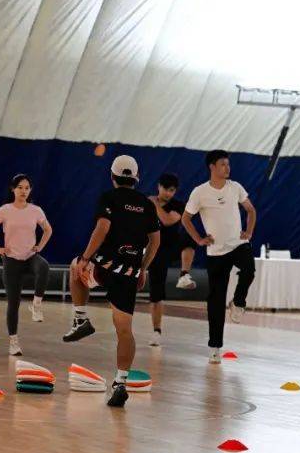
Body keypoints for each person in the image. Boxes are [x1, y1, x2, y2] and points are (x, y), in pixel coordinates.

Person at [63, 155, 160, 408]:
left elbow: (102, 229)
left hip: (105, 267)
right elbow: (155, 241)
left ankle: (81, 318)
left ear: (112, 177)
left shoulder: (108, 198)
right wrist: (143, 269)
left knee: (75, 267)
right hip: (129, 273)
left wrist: (86, 257)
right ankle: (120, 382)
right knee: (125, 331)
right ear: (136, 178)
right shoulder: (147, 204)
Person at [181, 150, 257, 364]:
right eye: (223, 164)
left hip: (238, 244)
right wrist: (198, 239)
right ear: (212, 167)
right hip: (215, 252)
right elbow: (186, 219)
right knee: (215, 300)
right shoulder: (200, 192)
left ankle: (239, 301)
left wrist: (248, 232)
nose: (227, 168)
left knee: (249, 270)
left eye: (228, 164)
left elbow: (251, 211)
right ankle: (215, 347)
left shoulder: (235, 188)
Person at [0, 173, 53, 356]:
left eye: (27, 188)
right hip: (12, 261)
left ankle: (36, 304)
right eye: (20, 187)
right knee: (13, 303)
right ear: (13, 189)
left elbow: (48, 229)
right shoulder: (4, 210)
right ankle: (14, 341)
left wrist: (39, 247)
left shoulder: (36, 210)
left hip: (30, 257)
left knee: (43, 266)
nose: (23, 191)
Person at [147, 172, 186, 347]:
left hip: (171, 248)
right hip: (152, 249)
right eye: (166, 189)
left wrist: (154, 203)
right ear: (159, 187)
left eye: (172, 190)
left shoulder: (177, 205)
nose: (168, 193)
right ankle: (156, 331)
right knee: (156, 292)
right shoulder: (147, 203)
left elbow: (167, 220)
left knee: (190, 239)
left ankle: (185, 273)